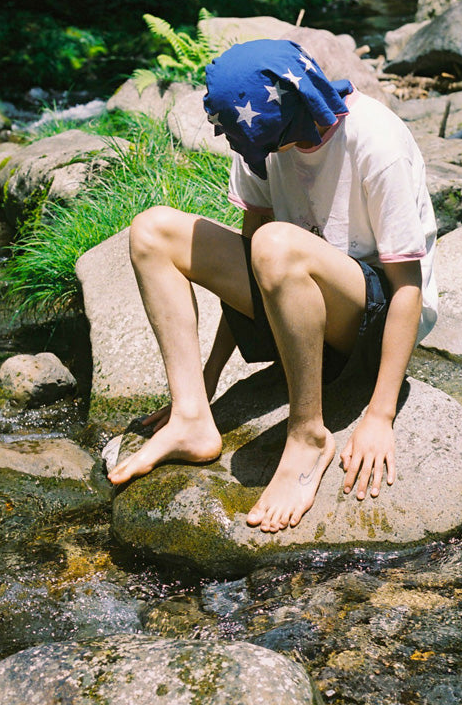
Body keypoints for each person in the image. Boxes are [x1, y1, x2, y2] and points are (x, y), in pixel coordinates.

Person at [105, 38, 439, 534]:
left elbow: (408, 288)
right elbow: (248, 267)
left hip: (374, 316)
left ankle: (308, 435)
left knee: (276, 242)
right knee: (154, 230)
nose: (238, 148)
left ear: (284, 113)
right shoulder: (262, 143)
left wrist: (380, 415)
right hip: (291, 294)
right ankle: (191, 418)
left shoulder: (376, 143)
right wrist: (211, 376)